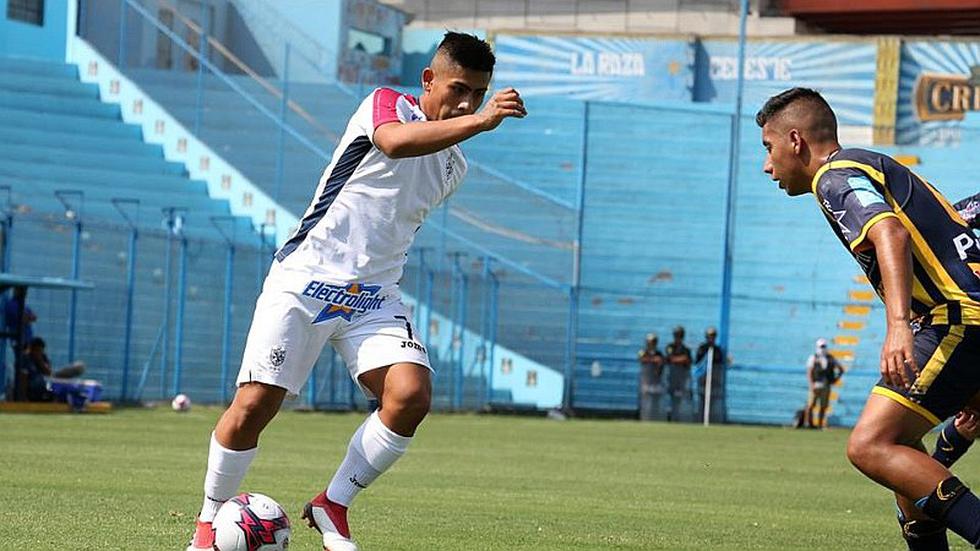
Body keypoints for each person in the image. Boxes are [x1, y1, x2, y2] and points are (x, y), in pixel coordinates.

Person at [185, 32, 525, 551]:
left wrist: (468, 126)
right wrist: (482, 122)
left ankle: (332, 505)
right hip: (305, 280)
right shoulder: (385, 104)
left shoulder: (456, 165)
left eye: (478, 94)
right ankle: (209, 522)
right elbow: (393, 142)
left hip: (373, 296)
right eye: (459, 88)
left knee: (410, 396)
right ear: (428, 79)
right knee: (255, 406)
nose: (467, 103)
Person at [757, 87, 980, 550]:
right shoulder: (871, 165)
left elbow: (890, 233)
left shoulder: (835, 176)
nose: (767, 165)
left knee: (870, 446)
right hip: (962, 315)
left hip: (956, 317)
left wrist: (898, 323)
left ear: (795, 140)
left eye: (768, 147)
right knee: (906, 469)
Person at [14, 337, 85, 402]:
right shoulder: (24, 359)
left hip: (49, 380)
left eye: (40, 351)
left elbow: (49, 373)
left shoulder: (42, 357)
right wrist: (23, 397)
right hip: (35, 385)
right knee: (41, 381)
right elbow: (23, 379)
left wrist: (40, 361)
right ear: (31, 349)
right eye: (36, 350)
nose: (38, 353)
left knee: (78, 367)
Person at [805, 338, 844, 428]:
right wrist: (811, 384)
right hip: (816, 384)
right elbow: (809, 372)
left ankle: (819, 424)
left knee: (823, 406)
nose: (822, 348)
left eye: (824, 346)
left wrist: (835, 379)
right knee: (811, 405)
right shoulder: (813, 358)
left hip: (826, 385)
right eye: (821, 346)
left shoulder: (830, 358)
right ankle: (809, 423)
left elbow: (840, 369)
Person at [694, 326, 727, 423]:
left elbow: (719, 362)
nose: (711, 338)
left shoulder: (717, 350)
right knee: (702, 402)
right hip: (703, 381)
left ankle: (712, 420)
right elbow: (699, 362)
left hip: (714, 381)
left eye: (713, 336)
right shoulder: (702, 348)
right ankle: (700, 419)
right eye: (709, 336)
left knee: (712, 402)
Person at [665, 326, 692, 422]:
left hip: (682, 378)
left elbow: (688, 361)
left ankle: (679, 417)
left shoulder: (686, 349)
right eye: (676, 335)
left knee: (681, 397)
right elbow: (670, 358)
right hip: (672, 376)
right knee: (671, 396)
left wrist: (679, 359)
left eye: (680, 335)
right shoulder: (670, 347)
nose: (678, 337)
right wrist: (681, 359)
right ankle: (671, 416)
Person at [637, 333, 664, 421]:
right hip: (646, 382)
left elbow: (661, 361)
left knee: (656, 403)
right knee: (645, 404)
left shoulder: (659, 353)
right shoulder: (643, 352)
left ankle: (656, 419)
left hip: (656, 382)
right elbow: (642, 359)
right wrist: (653, 360)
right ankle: (644, 419)